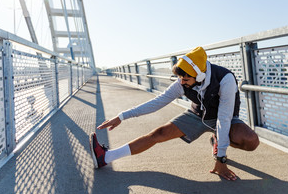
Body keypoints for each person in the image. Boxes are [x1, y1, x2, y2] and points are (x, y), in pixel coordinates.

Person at [90, 46, 259, 181]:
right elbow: (157, 103)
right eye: (180, 79)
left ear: (199, 75)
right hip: (198, 115)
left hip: (225, 117)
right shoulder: (182, 81)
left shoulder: (225, 79)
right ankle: (105, 157)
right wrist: (121, 116)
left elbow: (223, 119)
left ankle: (217, 140)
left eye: (186, 79)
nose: (182, 83)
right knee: (158, 134)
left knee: (251, 141)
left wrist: (221, 159)